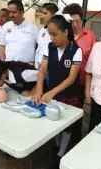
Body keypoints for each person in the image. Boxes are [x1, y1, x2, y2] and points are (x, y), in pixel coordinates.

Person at [32, 14, 82, 166]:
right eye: (49, 34)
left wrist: (51, 92)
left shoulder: (76, 50)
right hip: (52, 91)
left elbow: (71, 78)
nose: (51, 38)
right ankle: (58, 145)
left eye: (54, 34)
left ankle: (61, 152)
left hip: (69, 94)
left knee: (66, 124)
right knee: (55, 120)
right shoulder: (50, 47)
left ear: (66, 32)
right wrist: (39, 91)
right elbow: (42, 71)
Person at [63, 3, 96, 100]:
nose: (75, 25)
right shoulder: (64, 34)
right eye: (71, 22)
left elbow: (94, 60)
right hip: (63, 79)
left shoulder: (90, 35)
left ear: (82, 19)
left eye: (78, 21)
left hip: (82, 82)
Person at [35, 3, 58, 69]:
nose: (42, 16)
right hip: (38, 68)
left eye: (45, 13)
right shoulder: (42, 30)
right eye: (43, 13)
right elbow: (38, 49)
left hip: (51, 70)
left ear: (54, 15)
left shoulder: (60, 32)